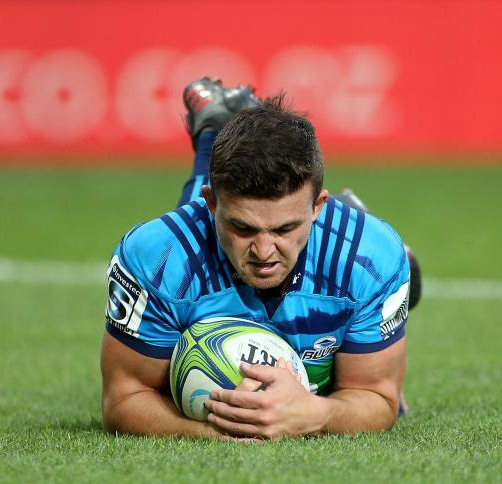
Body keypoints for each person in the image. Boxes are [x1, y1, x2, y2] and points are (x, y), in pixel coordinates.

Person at [101, 77, 420, 440]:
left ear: (317, 207)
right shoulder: (155, 259)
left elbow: (376, 397)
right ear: (214, 205)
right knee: (187, 244)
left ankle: (214, 132)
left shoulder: (368, 257)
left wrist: (318, 412)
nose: (264, 252)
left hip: (354, 269)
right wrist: (216, 434)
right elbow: (122, 400)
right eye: (243, 228)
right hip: (193, 240)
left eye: (285, 229)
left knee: (369, 308)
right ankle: (213, 130)